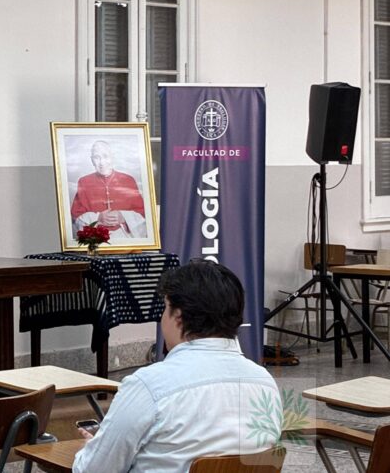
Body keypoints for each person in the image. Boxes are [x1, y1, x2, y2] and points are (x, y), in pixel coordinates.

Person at [72, 260, 283, 472]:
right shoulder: (265, 383)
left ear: (178, 317)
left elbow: (93, 470)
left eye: (165, 308)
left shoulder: (148, 386)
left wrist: (93, 448)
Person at [69, 140, 147, 238]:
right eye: (97, 157)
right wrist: (97, 218)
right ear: (91, 160)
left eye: (106, 156)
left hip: (125, 238)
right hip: (96, 239)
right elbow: (76, 217)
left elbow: (143, 213)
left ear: (112, 157)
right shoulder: (84, 182)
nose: (102, 163)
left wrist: (124, 217)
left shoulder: (128, 180)